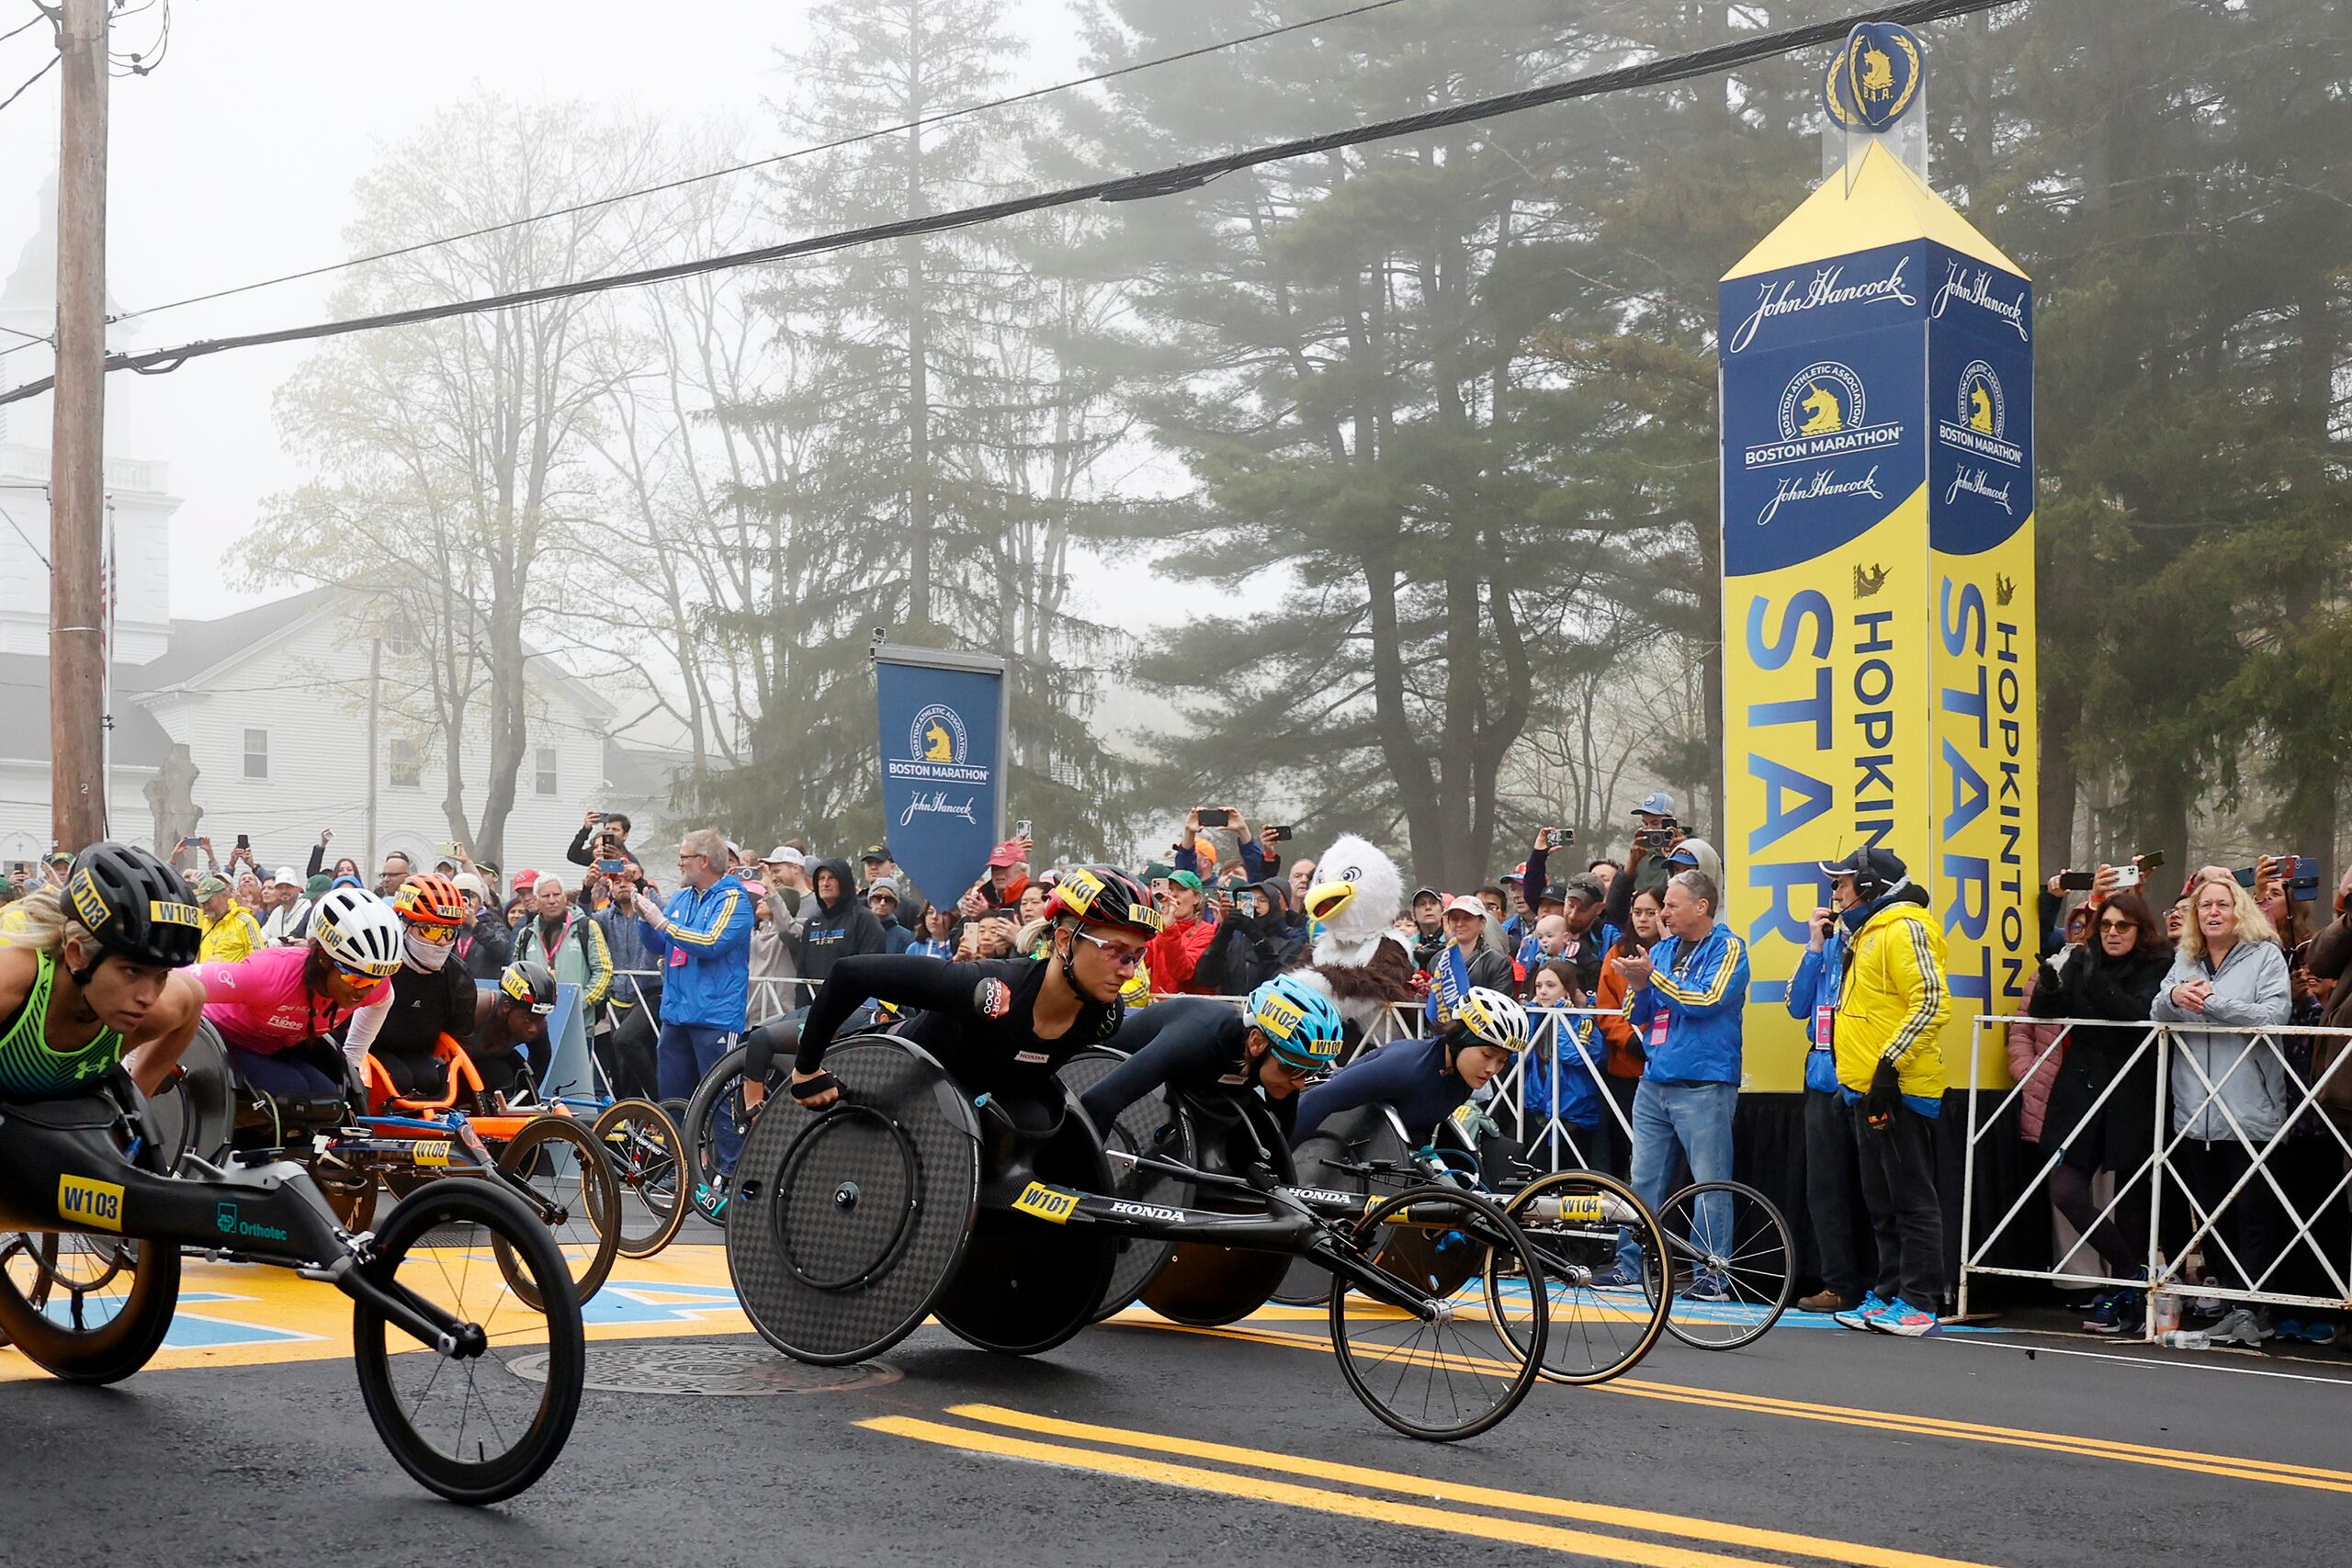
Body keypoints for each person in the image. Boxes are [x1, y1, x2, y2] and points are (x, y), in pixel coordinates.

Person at [781, 866, 1159, 1110]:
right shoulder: (987, 987)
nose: (1129, 970)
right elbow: (849, 975)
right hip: (893, 1084)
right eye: (1116, 951)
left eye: (1138, 956)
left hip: (973, 1117)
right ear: (1063, 941)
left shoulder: (1105, 1017)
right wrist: (807, 1069)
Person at [2154, 874, 2292, 1345]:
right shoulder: (2185, 959)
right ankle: (2233, 1304)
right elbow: (2158, 1008)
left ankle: (2258, 1309)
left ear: (2240, 911)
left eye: (2222, 904)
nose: (2213, 912)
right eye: (2204, 906)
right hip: (2196, 1110)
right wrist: (2175, 997)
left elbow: (2275, 1015)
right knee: (2212, 1216)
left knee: (2254, 1213)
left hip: (2250, 1107)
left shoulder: (2266, 956)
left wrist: (2215, 1003)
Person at [1815, 849, 1947, 1338]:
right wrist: (1854, 1080)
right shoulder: (1868, 932)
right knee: (1882, 1201)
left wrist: (1889, 1065)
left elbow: (1932, 1001)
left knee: (1912, 1200)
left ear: (1870, 888)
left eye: (1842, 885)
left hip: (1900, 1091)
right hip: (1866, 1090)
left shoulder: (1905, 927)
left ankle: (1919, 1301)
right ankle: (1890, 1292)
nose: (1835, 896)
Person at [2029, 887, 2172, 1331]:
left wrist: (2091, 977)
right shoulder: (2081, 958)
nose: (2111, 933)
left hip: (2132, 1091)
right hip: (2083, 1087)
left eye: (2122, 926)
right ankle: (2131, 1273)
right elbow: (2044, 1013)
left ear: (2139, 929)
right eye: (2106, 925)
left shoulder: (2158, 964)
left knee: (2132, 1201)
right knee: (2066, 1190)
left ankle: (2131, 1298)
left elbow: (2135, 1012)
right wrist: (2051, 987)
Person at [1600, 869, 1748, 1292]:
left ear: (1701, 907)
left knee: (1709, 1184)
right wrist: (1640, 985)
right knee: (1641, 1180)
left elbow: (1706, 1000)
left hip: (1704, 1084)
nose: (1662, 912)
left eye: (1670, 905)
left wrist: (1654, 979)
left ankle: (1713, 1272)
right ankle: (1629, 1267)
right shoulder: (1662, 950)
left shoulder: (1729, 947)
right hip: (1654, 1081)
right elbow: (1636, 1012)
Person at [0, 843, 208, 1100]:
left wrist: (136, 1102)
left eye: (162, 975)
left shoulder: (159, 1010)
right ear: (77, 955)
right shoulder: (10, 981)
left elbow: (194, 995)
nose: (148, 997)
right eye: (132, 971)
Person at [1080, 973, 1347, 1140]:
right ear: (1257, 1042)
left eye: (1312, 1071)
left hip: (1190, 1091)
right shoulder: (1197, 1038)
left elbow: (1279, 1142)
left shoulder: (1281, 1063)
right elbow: (1098, 1101)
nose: (1301, 1083)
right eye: (1294, 1069)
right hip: (1094, 1068)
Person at [198, 886, 402, 1100]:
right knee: (297, 1091)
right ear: (324, 958)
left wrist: (352, 1057)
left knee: (332, 1096)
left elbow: (384, 1002)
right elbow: (180, 980)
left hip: (273, 1047)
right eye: (355, 979)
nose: (365, 990)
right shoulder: (270, 973)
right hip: (220, 1038)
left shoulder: (372, 985)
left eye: (375, 980)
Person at [618, 829, 756, 1129]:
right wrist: (645, 920)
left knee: (720, 1106)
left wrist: (661, 921)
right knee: (672, 1105)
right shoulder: (682, 896)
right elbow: (662, 945)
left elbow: (710, 943)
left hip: (714, 1017)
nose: (679, 864)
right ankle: (676, 1170)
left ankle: (728, 1172)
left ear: (703, 861)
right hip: (676, 1015)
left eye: (684, 857)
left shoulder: (734, 899)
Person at [1293, 986, 1528, 1143]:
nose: (1492, 1069)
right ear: (1459, 1039)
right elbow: (1319, 1100)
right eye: (1487, 1055)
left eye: (1502, 1062)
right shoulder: (1404, 1067)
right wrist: (1275, 1166)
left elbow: (1418, 1122)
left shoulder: (1462, 1076)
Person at [1787, 891, 1869, 1314]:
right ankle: (1838, 1282)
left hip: (1868, 1074)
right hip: (1822, 1075)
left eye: (1844, 886)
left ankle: (1885, 1282)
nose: (1836, 896)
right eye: (1832, 890)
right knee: (1825, 1187)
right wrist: (1814, 947)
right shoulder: (1826, 945)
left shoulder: (1874, 939)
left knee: (1875, 1187)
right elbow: (1797, 1005)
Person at [356, 874, 481, 1101]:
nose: (442, 942)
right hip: (370, 1048)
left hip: (419, 1053)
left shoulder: (458, 978)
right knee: (401, 1078)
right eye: (430, 930)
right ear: (403, 924)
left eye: (449, 932)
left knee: (433, 1078)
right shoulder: (374, 965)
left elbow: (461, 1038)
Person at [1521, 962, 1606, 1162]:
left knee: (1573, 1181)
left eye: (1550, 986)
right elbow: (1519, 1056)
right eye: (1539, 986)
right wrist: (1532, 1017)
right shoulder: (1534, 1016)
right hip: (1540, 1112)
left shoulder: (1583, 1019)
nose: (1542, 992)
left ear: (1566, 990)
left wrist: (1565, 1017)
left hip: (1574, 1115)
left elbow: (1572, 1055)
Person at [512, 874, 615, 1030]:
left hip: (578, 1024)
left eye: (557, 894)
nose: (552, 900)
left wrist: (583, 1001)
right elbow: (516, 974)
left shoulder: (587, 927)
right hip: (536, 1024)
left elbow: (604, 970)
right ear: (537, 900)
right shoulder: (526, 934)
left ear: (565, 897)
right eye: (546, 896)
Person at [795, 857, 889, 1001]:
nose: (825, 883)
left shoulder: (864, 919)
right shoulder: (812, 923)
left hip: (851, 1008)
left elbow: (871, 968)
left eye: (831, 878)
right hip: (814, 1007)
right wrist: (801, 1011)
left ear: (843, 882)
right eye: (821, 878)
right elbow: (802, 972)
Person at [1196, 878, 1306, 996]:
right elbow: (1205, 978)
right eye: (1249, 899)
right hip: (1230, 1008)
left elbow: (1277, 980)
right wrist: (1224, 932)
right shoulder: (1233, 939)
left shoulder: (1289, 941)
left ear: (1273, 905)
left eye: (1262, 900)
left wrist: (1256, 937)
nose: (1255, 904)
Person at [1145, 870, 1221, 996]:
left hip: (1190, 1009)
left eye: (1181, 889)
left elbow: (1183, 972)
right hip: (1157, 1007)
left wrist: (1168, 928)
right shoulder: (1158, 928)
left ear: (1196, 898)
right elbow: (1138, 962)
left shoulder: (1208, 932)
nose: (1173, 894)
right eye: (1170, 889)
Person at [196, 873, 265, 964]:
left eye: (209, 902)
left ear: (224, 896)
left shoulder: (245, 921)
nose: (206, 907)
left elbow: (258, 959)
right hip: (204, 977)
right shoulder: (202, 923)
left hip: (234, 978)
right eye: (203, 904)